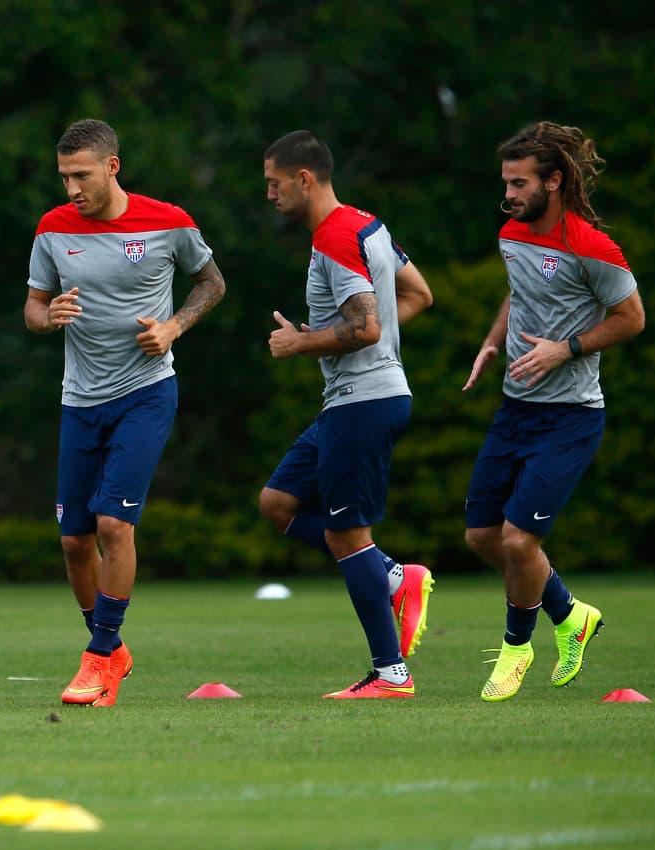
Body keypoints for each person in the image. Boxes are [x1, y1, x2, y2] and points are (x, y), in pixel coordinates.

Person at [25, 118, 226, 707]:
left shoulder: (168, 221)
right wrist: (48, 317)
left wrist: (174, 326)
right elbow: (32, 309)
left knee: (114, 525)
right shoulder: (53, 229)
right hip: (79, 400)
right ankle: (109, 651)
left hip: (145, 393)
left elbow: (212, 283)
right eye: (63, 177)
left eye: (81, 175)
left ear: (113, 167)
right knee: (73, 542)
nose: (71, 190)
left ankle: (99, 656)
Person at [463, 121, 644, 702]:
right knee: (481, 536)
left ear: (554, 181)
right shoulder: (513, 233)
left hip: (570, 416)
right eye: (507, 182)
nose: (510, 194)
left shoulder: (591, 246)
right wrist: (495, 341)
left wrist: (563, 348)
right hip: (516, 410)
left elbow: (631, 319)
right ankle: (570, 615)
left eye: (520, 183)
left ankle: (517, 648)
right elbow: (519, 292)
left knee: (518, 542)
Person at [259, 130, 434, 699]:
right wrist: (340, 339)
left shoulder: (335, 235)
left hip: (365, 401)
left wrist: (301, 344)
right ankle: (390, 575)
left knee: (346, 533)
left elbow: (367, 326)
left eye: (275, 183)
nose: (271, 194)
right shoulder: (367, 224)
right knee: (278, 503)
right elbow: (416, 295)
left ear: (303, 179)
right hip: (355, 401)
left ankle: (391, 674)